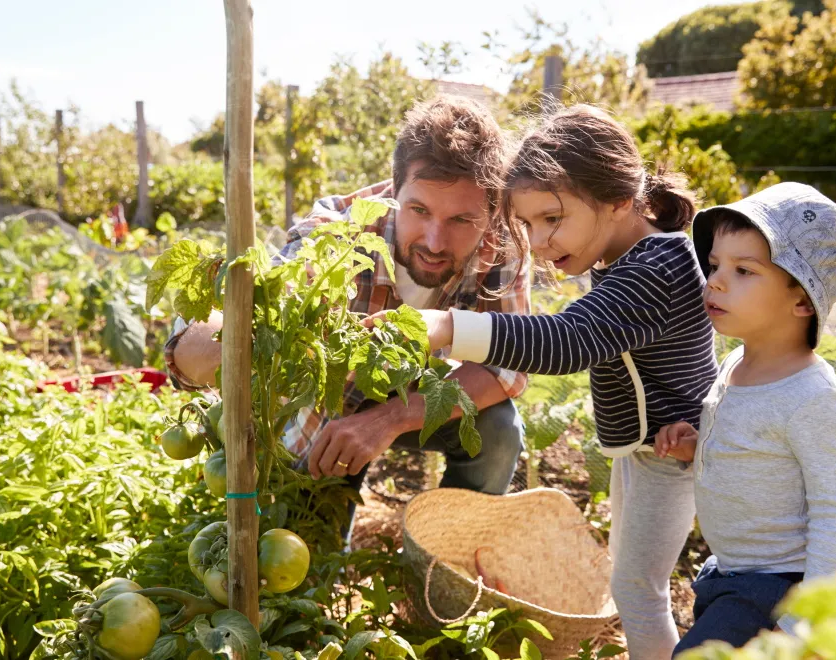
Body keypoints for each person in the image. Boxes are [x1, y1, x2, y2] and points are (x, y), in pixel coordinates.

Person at [383, 105, 720, 659]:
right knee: (638, 583)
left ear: (617, 199)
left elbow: (568, 340)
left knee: (640, 591)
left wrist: (445, 327)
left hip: (672, 456)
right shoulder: (631, 256)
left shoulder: (656, 267)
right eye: (529, 224)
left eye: (552, 219)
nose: (538, 242)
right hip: (649, 452)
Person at [165, 96, 530, 520]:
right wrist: (224, 343)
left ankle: (449, 557)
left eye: (461, 221)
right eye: (419, 210)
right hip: (331, 407)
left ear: (490, 212)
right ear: (395, 190)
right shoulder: (338, 235)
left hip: (419, 395)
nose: (434, 241)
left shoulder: (503, 244)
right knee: (310, 548)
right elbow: (220, 329)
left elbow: (506, 367)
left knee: (498, 430)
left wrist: (388, 420)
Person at [654, 183, 836, 653]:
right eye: (715, 265)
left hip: (777, 589)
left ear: (804, 300)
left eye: (743, 270)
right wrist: (697, 444)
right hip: (728, 574)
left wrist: (801, 624)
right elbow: (756, 449)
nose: (717, 281)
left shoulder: (813, 399)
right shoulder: (736, 365)